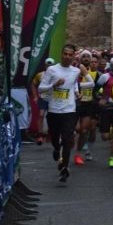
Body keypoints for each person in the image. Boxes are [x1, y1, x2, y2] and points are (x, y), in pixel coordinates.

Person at [38, 45, 82, 182]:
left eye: (70, 55)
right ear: (61, 54)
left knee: (68, 139)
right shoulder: (52, 70)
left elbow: (74, 84)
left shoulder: (76, 71)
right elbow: (40, 89)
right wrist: (53, 85)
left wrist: (77, 93)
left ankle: (64, 167)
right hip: (54, 110)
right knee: (55, 138)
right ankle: (56, 149)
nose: (67, 57)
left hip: (69, 110)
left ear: (74, 56)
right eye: (65, 54)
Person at [96, 57, 113, 168]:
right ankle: (112, 140)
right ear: (110, 66)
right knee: (105, 136)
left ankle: (112, 157)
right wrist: (100, 99)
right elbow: (95, 90)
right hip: (106, 110)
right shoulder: (104, 77)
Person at [75, 52, 100, 165]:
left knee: (88, 130)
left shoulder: (95, 73)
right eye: (83, 57)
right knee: (79, 130)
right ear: (80, 59)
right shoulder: (75, 70)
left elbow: (100, 87)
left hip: (90, 103)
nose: (86, 59)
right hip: (76, 103)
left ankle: (82, 153)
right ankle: (76, 149)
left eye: (88, 57)